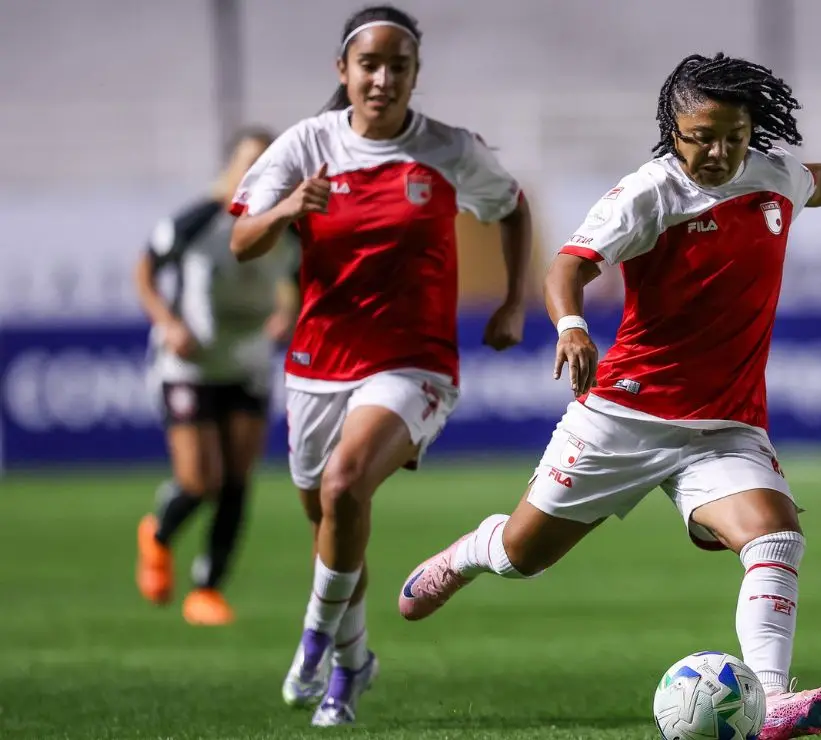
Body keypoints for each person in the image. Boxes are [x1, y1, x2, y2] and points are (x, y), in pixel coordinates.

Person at [397, 52, 821, 739]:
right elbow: (567, 267)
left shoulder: (773, 176)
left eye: (734, 137)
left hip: (724, 425)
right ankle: (470, 552)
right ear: (673, 131)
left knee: (776, 536)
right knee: (522, 556)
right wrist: (572, 328)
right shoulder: (649, 193)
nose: (718, 152)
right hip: (624, 416)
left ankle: (770, 701)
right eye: (701, 138)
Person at [227, 4, 532, 728]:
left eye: (399, 66)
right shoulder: (307, 145)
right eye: (370, 64)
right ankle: (353, 664)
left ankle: (312, 641)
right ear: (344, 69)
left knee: (344, 484)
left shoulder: (447, 149)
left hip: (413, 362)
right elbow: (242, 241)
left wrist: (512, 303)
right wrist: (287, 210)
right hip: (318, 363)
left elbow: (512, 207)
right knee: (333, 520)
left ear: (416, 74)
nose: (383, 78)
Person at [135, 127, 299, 627]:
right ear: (230, 168)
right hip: (190, 364)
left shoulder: (288, 230)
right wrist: (168, 323)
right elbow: (145, 269)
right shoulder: (199, 220)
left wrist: (285, 316)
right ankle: (158, 533)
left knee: (236, 481)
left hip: (247, 364)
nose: (256, 174)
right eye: (248, 163)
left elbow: (296, 283)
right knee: (199, 480)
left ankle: (207, 589)